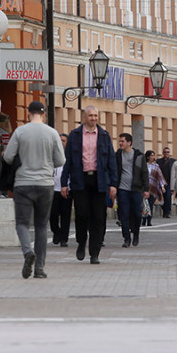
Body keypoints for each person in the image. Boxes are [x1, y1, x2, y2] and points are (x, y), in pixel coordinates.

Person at [4, 101, 65, 279]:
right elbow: (61, 160)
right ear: (43, 114)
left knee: (22, 223)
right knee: (41, 226)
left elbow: (8, 157)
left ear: (28, 113)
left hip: (23, 183)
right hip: (46, 184)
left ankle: (27, 251)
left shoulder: (20, 132)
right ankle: (39, 268)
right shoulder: (52, 133)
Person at [61, 105, 117, 264]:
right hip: (80, 179)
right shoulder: (75, 135)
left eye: (95, 115)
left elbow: (111, 161)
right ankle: (81, 242)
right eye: (90, 115)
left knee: (98, 217)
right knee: (82, 214)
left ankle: (94, 253)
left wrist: (113, 184)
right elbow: (68, 161)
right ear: (84, 117)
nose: (93, 118)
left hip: (99, 181)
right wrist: (64, 183)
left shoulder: (104, 135)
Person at [115, 133, 148, 247]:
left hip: (136, 189)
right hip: (122, 189)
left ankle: (136, 234)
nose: (120, 143)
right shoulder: (118, 155)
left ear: (129, 142)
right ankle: (126, 238)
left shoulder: (139, 156)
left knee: (137, 214)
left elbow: (144, 173)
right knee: (123, 214)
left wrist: (146, 189)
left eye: (122, 141)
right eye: (119, 141)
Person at [51, 133, 72, 247]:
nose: (61, 142)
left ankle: (64, 238)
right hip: (53, 189)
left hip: (67, 188)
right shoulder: (51, 154)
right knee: (52, 214)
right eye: (59, 140)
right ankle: (56, 232)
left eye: (63, 141)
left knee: (65, 215)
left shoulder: (70, 156)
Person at [143, 150, 166, 227]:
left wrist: (162, 186)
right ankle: (144, 218)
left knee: (150, 204)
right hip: (144, 187)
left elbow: (159, 176)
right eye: (152, 155)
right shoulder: (143, 165)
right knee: (143, 204)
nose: (153, 157)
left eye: (153, 155)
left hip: (152, 187)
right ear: (148, 157)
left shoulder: (156, 166)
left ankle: (149, 219)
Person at [156, 147, 175, 219]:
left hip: (169, 182)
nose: (166, 153)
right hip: (161, 182)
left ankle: (167, 212)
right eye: (165, 152)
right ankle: (164, 210)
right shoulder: (159, 161)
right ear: (163, 153)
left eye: (168, 152)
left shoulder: (173, 161)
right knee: (162, 197)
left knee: (168, 196)